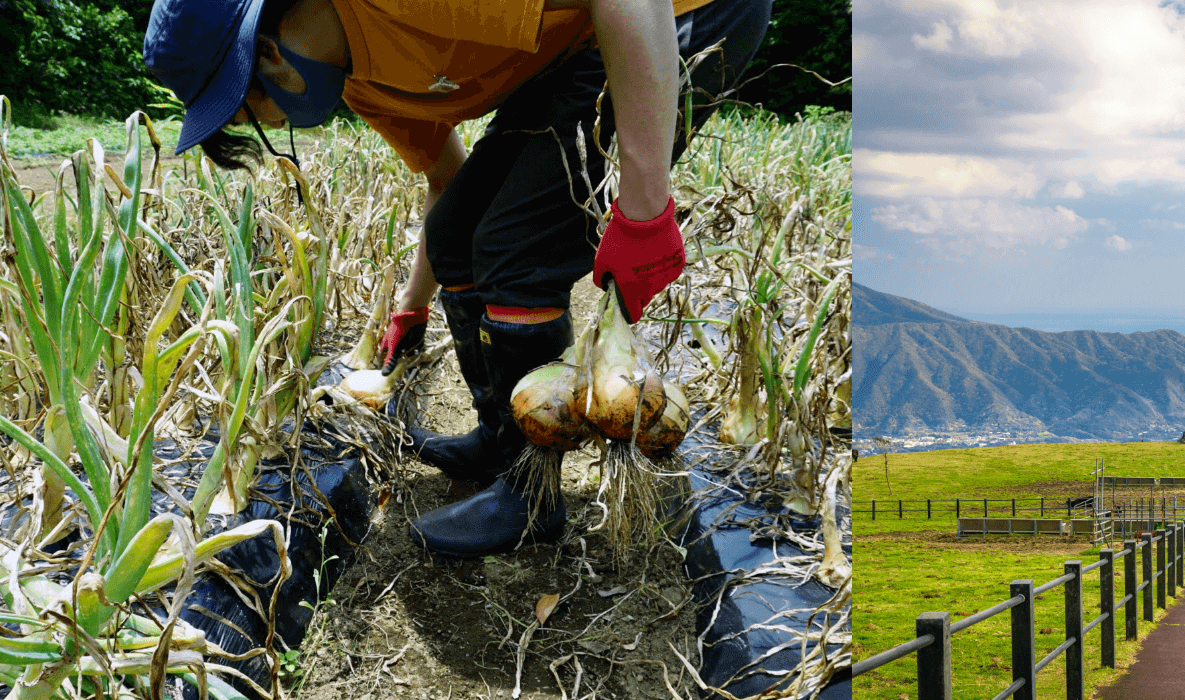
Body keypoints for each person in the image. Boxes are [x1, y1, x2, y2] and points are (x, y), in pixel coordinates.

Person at [142, 0, 769, 557]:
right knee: (455, 232)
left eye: (247, 107)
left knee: (516, 249)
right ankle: (502, 439)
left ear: (271, 56)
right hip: (581, 48)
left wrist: (644, 201)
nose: (271, 126)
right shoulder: (365, 87)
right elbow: (446, 182)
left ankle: (533, 498)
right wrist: (409, 309)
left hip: (676, 16)